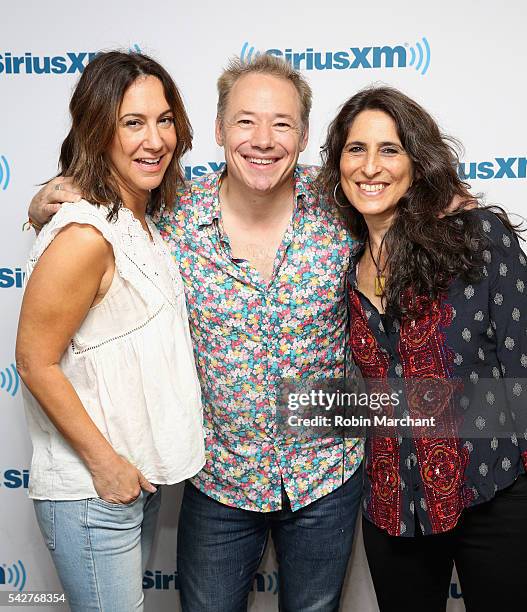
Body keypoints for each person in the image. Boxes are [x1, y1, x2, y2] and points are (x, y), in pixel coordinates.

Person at [27, 56, 468, 612]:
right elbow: (95, 215)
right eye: (245, 122)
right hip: (220, 480)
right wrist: (41, 205)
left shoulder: (342, 204)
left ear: (305, 136)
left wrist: (455, 207)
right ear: (217, 129)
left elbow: (403, 188)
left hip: (326, 479)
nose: (263, 140)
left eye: (282, 124)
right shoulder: (168, 215)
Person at [318, 85, 527, 612]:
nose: (371, 167)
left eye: (390, 149)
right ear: (338, 162)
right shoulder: (340, 261)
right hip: (394, 511)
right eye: (355, 149)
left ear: (417, 160)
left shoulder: (477, 238)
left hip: (493, 497)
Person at [16, 51, 204, 612]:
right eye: (132, 123)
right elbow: (34, 362)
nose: (155, 140)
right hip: (92, 490)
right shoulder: (86, 234)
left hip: (127, 487)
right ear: (99, 130)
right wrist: (106, 465)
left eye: (164, 119)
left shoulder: (137, 218)